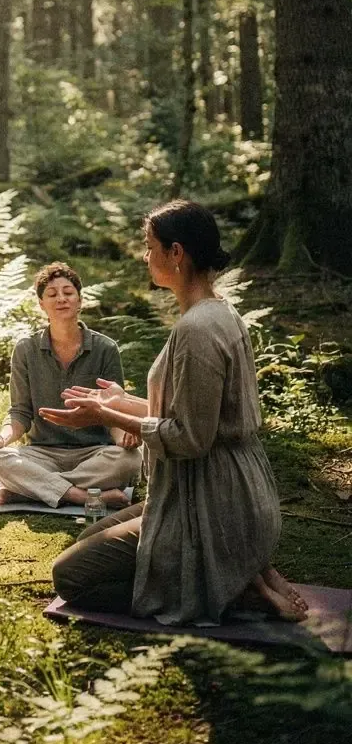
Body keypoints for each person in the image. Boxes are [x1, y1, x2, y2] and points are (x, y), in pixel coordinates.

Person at [46, 201, 307, 625]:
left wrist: (106, 417)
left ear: (176, 253)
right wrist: (120, 401)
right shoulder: (219, 312)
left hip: (214, 502)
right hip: (228, 491)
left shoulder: (197, 329)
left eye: (150, 247)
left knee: (71, 578)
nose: (145, 257)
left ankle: (230, 591)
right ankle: (245, 569)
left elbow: (191, 437)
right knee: (91, 536)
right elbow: (200, 413)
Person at [0, 262, 142, 509]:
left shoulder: (105, 348)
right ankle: (82, 496)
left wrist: (123, 438)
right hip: (41, 453)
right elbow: (20, 412)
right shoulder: (25, 349)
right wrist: (1, 439)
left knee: (129, 460)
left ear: (80, 300)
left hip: (95, 453)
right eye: (52, 294)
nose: (61, 299)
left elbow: (113, 410)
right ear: (42, 304)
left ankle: (30, 491)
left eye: (68, 292)